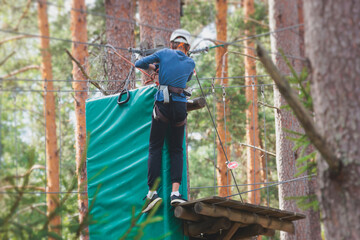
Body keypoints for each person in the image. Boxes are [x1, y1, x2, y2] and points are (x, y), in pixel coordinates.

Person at [135, 29, 195, 213]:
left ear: (172, 43)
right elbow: (185, 79)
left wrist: (155, 67)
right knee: (177, 150)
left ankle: (153, 193)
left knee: (155, 146)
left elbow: (139, 63)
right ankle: (175, 194)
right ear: (187, 47)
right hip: (179, 108)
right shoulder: (191, 62)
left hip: (163, 106)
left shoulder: (163, 54)